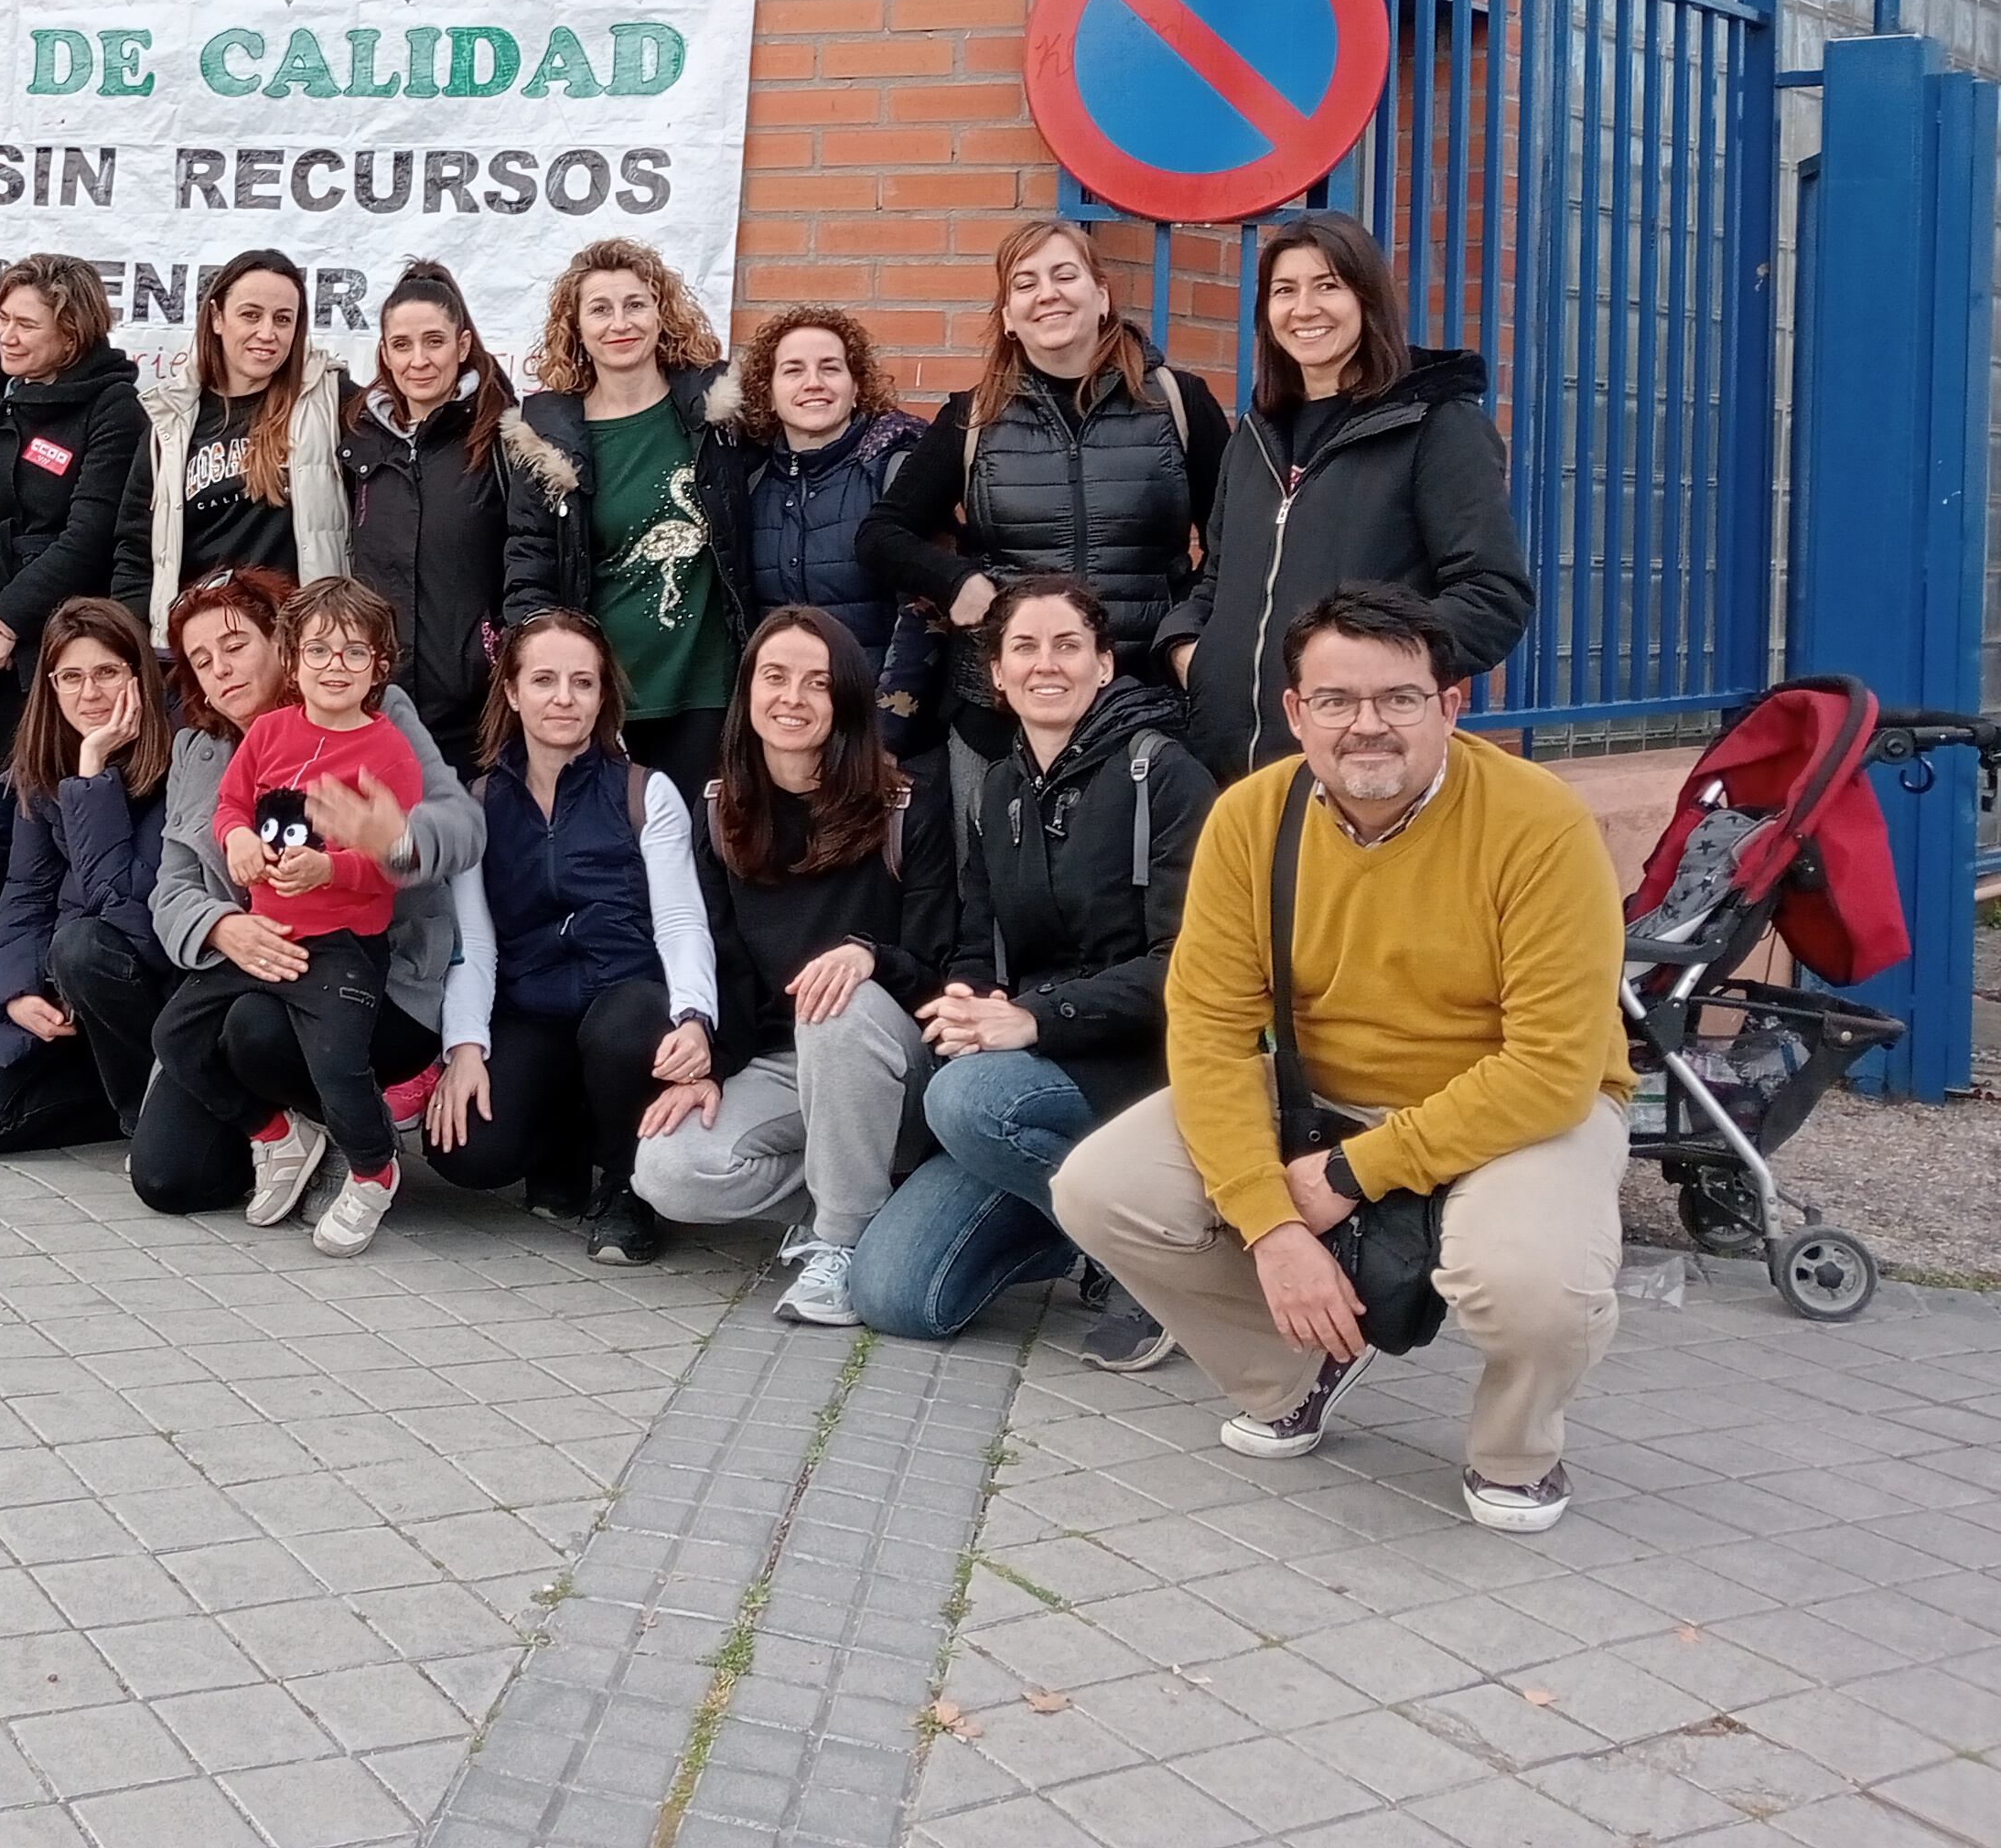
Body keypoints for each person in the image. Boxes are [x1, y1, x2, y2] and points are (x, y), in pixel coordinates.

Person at [1056, 584, 1631, 1535]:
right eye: (1336, 701)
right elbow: (1208, 1030)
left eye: (1400, 698)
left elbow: (1552, 1068)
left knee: (1532, 1285)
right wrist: (1272, 1230)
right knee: (1100, 1189)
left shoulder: (1540, 824)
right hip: (1321, 1094)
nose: (1368, 726)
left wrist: (1351, 1174)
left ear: (1450, 704)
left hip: (1518, 1114)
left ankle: (1517, 1452)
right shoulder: (1251, 819)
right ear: (1296, 713)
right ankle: (1298, 1364)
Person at [846, 577, 1210, 1360]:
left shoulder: (1164, 774)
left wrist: (1035, 1019)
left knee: (968, 1097)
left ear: (1105, 665)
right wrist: (966, 1007)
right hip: (1036, 1075)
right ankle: (1075, 1230)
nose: (1049, 665)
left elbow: (1189, 970)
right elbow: (979, 946)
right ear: (998, 676)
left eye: (1068, 645)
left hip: (1142, 1070)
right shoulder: (1000, 791)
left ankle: (1160, 1254)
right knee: (894, 1295)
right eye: (1025, 648)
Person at [632, 604, 953, 1327]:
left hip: (894, 1068)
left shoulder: (907, 808)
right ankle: (871, 1194)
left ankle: (842, 1242)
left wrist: (869, 957)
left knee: (835, 1003)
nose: (792, 699)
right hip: (788, 1068)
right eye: (774, 678)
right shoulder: (720, 811)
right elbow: (727, 971)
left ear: (845, 698)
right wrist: (709, 1058)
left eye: (816, 682)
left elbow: (939, 969)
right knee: (669, 1172)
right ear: (747, 694)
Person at [133, 568, 483, 1217]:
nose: (222, 671)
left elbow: (463, 827)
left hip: (367, 972)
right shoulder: (199, 749)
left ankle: (361, 1150)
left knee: (255, 1030)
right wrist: (219, 927)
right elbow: (171, 889)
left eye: (235, 646)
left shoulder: (378, 715)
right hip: (240, 970)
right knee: (167, 1178)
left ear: (282, 644)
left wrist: (393, 839)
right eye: (202, 660)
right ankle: (288, 1137)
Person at [859, 218, 1225, 802]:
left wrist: (1183, 634)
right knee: (996, 888)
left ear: (1101, 295)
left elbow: (1232, 544)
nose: (1047, 293)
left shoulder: (1178, 404)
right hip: (1000, 717)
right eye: (1025, 283)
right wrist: (955, 582)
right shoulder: (972, 416)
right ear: (1007, 315)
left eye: (1064, 274)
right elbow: (881, 534)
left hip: (1145, 706)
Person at [1162, 212, 1534, 783]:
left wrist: (1372, 678)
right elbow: (1218, 578)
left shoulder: (1437, 426)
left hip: (1357, 768)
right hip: (1226, 771)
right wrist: (1188, 649)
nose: (1304, 308)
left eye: (1328, 286)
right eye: (1285, 290)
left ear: (1367, 299)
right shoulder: (1254, 436)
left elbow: (1492, 594)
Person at [423, 611, 716, 1265]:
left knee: (618, 1029)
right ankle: (563, 1139)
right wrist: (465, 1047)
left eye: (582, 683)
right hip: (535, 1006)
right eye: (545, 680)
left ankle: (627, 1184)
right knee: (463, 1151)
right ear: (511, 691)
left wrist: (695, 1017)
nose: (564, 698)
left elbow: (680, 921)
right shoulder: (478, 803)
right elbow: (474, 939)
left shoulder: (645, 791)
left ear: (602, 695)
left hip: (628, 1004)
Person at [498, 237, 752, 803]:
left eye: (635, 304)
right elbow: (529, 569)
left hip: (709, 693)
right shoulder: (548, 440)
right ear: (577, 329)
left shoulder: (715, 415)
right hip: (600, 697)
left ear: (662, 314)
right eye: (600, 309)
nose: (620, 323)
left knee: (702, 862)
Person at [0, 596, 175, 1159]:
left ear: (139, 677)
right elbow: (26, 892)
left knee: (82, 945)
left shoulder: (178, 761)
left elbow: (129, 909)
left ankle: (157, 1114)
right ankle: (118, 1102)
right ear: (51, 686)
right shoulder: (42, 765)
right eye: (72, 677)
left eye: (107, 673)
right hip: (69, 998)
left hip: (143, 992)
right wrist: (17, 991)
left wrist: (92, 773)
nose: (90, 694)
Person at [0, 255, 150, 797]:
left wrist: (10, 621)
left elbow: (92, 533)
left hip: (63, 636)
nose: (8, 336)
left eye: (26, 324)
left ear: (71, 335)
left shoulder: (113, 407)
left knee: (41, 797)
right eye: (2, 319)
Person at [726, 305, 932, 752]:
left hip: (879, 737)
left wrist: (885, 735)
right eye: (793, 370)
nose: (813, 383)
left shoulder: (895, 470)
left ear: (856, 386)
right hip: (780, 733)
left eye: (830, 368)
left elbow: (926, 612)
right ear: (768, 391)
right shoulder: (746, 482)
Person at [339, 259, 516, 759]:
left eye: (434, 342)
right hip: (375, 705)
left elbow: (527, 556)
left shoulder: (502, 436)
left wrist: (492, 652)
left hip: (473, 713)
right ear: (384, 353)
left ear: (462, 346)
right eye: (402, 345)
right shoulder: (357, 438)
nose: (419, 360)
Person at [121, 248, 350, 629]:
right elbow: (135, 550)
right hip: (200, 653)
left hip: (298, 644)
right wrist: (140, 646)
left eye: (283, 319)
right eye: (250, 315)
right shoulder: (172, 419)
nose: (267, 333)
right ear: (216, 318)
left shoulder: (329, 399)